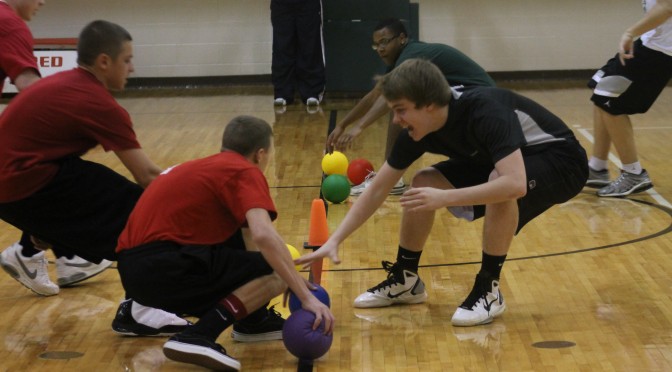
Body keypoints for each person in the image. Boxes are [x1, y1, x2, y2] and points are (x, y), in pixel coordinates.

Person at [298, 59, 588, 327]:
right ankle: (406, 278)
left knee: (499, 182)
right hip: (505, 160)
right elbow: (376, 191)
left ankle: (489, 288)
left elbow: (515, 184)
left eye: (400, 109)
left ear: (429, 106)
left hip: (562, 161)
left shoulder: (485, 112)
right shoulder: (416, 129)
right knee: (424, 181)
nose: (396, 119)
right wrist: (334, 240)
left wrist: (445, 198)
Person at [0, 19, 191, 336]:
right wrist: (197, 212)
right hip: (24, 183)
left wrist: (47, 225)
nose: (131, 68)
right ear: (104, 61)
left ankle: (30, 251)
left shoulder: (67, 82)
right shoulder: (98, 104)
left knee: (106, 192)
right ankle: (143, 307)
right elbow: (148, 175)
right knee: (139, 213)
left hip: (18, 185)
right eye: (127, 60)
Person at [116, 115, 335, 371]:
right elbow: (264, 235)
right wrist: (302, 292)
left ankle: (252, 322)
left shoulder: (202, 168)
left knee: (250, 250)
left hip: (134, 275)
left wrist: (263, 288)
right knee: (277, 270)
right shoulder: (244, 170)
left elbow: (250, 241)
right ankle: (199, 336)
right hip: (165, 265)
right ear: (260, 154)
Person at [0, 0, 111, 297]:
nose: (43, 1)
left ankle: (61, 256)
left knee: (36, 179)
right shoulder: (9, 23)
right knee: (47, 173)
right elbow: (32, 88)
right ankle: (46, 254)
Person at [326, 18, 495, 196]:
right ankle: (391, 176)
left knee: (400, 108)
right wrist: (342, 125)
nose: (381, 49)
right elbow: (375, 94)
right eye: (376, 45)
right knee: (403, 108)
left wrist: (358, 127)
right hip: (467, 100)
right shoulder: (400, 60)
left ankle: (391, 178)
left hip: (481, 102)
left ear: (402, 38)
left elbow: (386, 97)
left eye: (384, 42)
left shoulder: (412, 54)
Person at [586, 0, 672, 197]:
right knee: (602, 92)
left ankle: (634, 173)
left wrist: (630, 32)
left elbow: (667, 6)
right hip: (651, 42)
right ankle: (597, 168)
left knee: (612, 103)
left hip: (661, 51)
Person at [271, 0, 325, 110]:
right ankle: (282, 93)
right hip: (281, 4)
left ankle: (312, 92)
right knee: (281, 46)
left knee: (310, 46)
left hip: (308, 4)